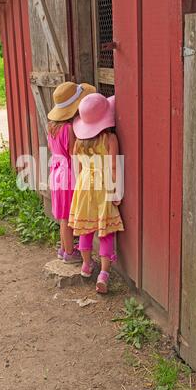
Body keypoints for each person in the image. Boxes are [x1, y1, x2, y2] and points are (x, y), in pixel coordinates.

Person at [69, 93, 124, 293]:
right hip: (103, 185)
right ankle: (104, 274)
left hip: (84, 185)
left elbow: (77, 168)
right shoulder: (110, 138)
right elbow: (115, 167)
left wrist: (78, 187)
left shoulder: (78, 143)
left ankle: (86, 265)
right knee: (105, 231)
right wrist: (117, 191)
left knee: (86, 228)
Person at [47, 81, 96, 263]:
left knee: (62, 215)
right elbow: (74, 155)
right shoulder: (69, 129)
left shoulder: (52, 126)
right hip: (69, 174)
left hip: (57, 172)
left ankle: (63, 248)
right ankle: (69, 252)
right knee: (68, 217)